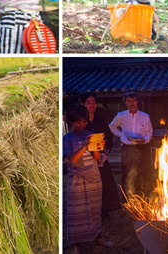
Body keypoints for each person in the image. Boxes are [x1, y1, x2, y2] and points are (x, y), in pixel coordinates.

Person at [63, 105, 112, 254]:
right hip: (77, 179)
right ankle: (77, 244)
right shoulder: (67, 138)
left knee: (94, 209)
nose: (82, 124)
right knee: (76, 212)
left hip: (93, 176)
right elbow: (72, 160)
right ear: (71, 122)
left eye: (84, 121)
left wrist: (98, 148)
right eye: (78, 122)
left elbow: (97, 158)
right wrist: (84, 146)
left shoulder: (90, 134)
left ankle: (98, 237)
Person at [83, 95, 121, 218]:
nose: (92, 105)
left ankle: (106, 209)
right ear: (84, 105)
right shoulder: (82, 121)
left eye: (94, 102)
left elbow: (108, 136)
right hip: (87, 158)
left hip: (101, 157)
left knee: (105, 182)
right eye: (88, 102)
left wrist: (106, 152)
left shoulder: (100, 120)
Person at [108, 91, 152, 197]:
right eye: (129, 101)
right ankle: (127, 198)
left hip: (142, 147)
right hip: (127, 148)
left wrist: (144, 140)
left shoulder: (145, 116)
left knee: (143, 172)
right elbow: (112, 126)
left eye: (134, 101)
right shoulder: (121, 115)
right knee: (127, 172)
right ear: (125, 103)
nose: (132, 103)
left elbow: (149, 132)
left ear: (137, 102)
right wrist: (121, 135)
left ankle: (143, 196)